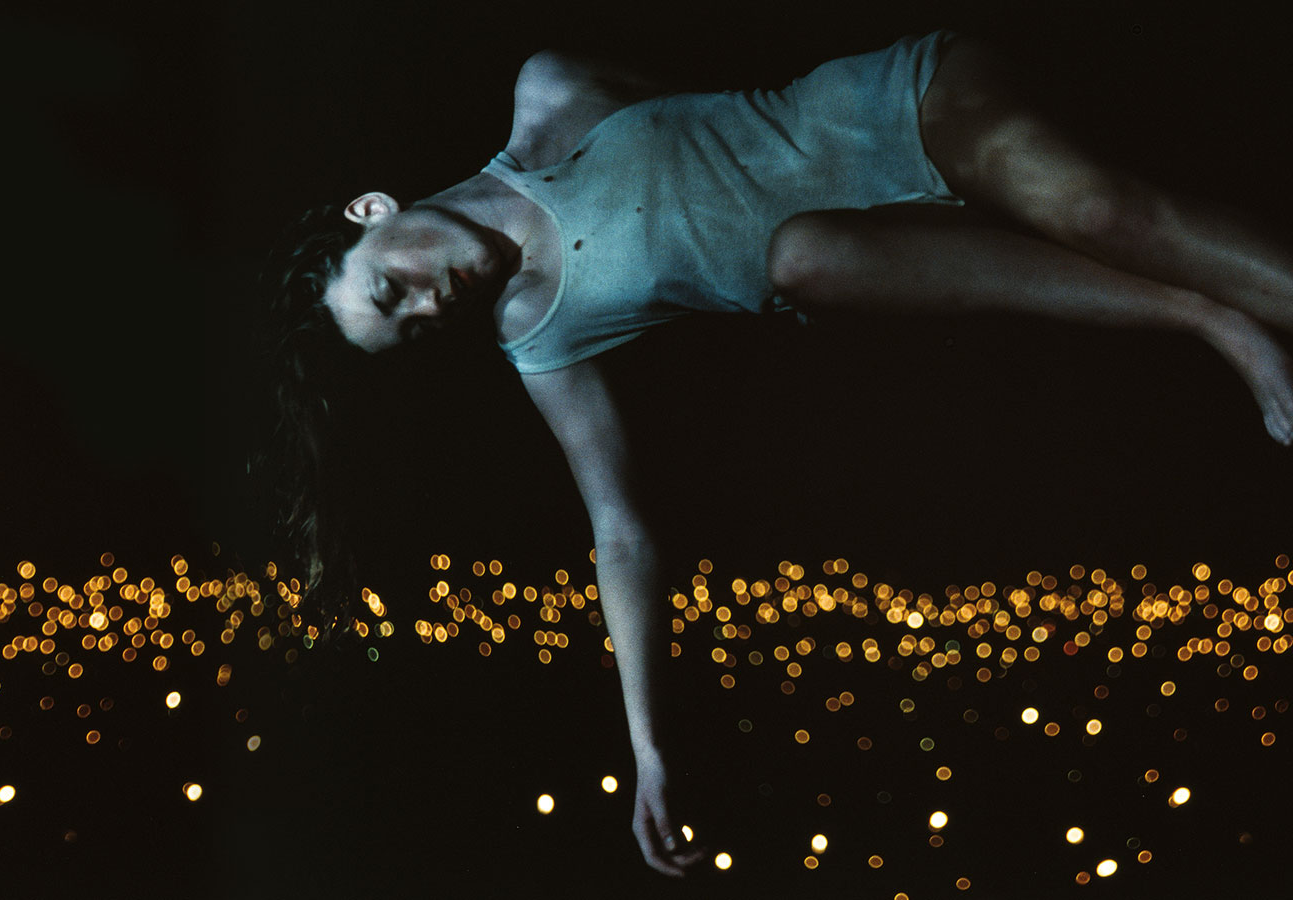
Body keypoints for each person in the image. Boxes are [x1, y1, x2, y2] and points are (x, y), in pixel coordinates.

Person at [264, 31, 1292, 876]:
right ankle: (1208, 318)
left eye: (390, 288)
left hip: (897, 112)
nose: (429, 303)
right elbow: (618, 529)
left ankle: (1217, 318)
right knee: (800, 257)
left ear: (373, 216)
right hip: (876, 250)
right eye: (412, 328)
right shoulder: (544, 331)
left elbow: (725, 94)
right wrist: (649, 749)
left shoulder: (551, 93)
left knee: (1105, 212)